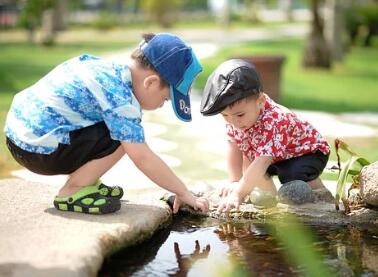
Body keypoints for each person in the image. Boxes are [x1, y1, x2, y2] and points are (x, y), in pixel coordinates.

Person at [4, 33, 209, 215]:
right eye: (166, 100)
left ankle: (86, 180)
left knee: (119, 128)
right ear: (151, 83)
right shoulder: (120, 99)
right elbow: (143, 158)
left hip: (19, 138)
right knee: (125, 137)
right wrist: (182, 191)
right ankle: (73, 190)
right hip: (38, 151)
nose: (163, 105)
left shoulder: (108, 70)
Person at [200, 59, 330, 213]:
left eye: (239, 115)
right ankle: (271, 201)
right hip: (276, 156)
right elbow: (234, 146)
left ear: (260, 101)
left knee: (291, 174)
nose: (233, 122)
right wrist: (235, 181)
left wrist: (238, 194)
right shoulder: (237, 119)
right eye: (225, 116)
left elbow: (263, 161)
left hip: (308, 153)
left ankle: (321, 195)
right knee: (251, 166)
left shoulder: (275, 120)